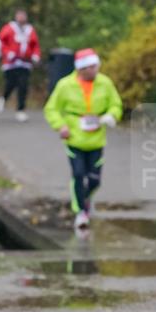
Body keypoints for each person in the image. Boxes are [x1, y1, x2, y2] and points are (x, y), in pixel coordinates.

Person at [44, 48, 123, 229]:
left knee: (95, 179)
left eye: (97, 66)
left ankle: (85, 198)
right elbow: (51, 109)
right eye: (92, 67)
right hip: (74, 136)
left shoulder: (105, 83)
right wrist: (60, 125)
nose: (95, 70)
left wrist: (111, 116)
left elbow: (116, 104)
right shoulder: (65, 85)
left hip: (96, 138)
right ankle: (80, 211)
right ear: (82, 69)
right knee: (79, 174)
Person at [0, 9, 41, 121]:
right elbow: (1, 42)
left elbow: (35, 45)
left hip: (25, 63)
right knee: (11, 83)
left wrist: (35, 55)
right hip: (11, 63)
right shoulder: (9, 28)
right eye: (19, 15)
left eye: (23, 15)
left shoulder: (30, 30)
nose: (21, 18)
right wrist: (8, 53)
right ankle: (4, 98)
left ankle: (20, 109)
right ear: (16, 16)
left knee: (23, 85)